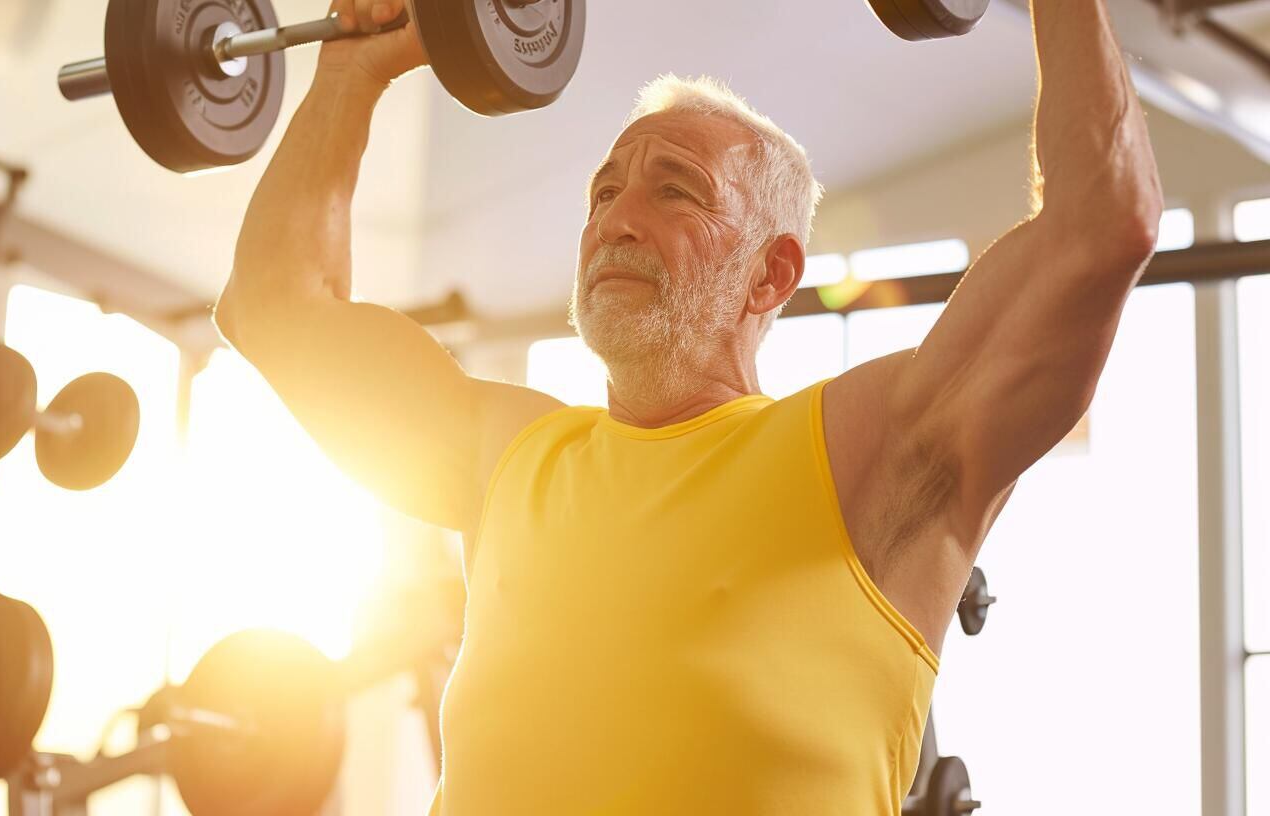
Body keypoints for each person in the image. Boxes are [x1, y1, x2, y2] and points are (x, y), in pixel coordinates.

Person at [214, 0, 1162, 812]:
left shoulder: (866, 455)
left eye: (677, 190)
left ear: (772, 272)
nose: (618, 220)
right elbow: (275, 304)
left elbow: (1102, 220)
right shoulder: (507, 457)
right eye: (605, 190)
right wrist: (353, 66)